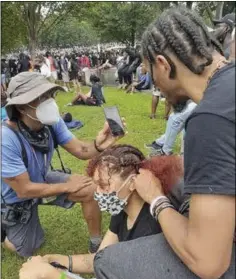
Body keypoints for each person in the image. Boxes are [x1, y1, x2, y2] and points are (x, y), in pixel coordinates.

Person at [91, 7, 235, 279]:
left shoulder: (209, 119)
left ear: (163, 65)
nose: (153, 84)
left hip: (216, 258)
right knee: (181, 185)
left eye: (149, 72)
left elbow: (209, 263)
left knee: (108, 260)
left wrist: (156, 199)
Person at [1, 72, 124, 258]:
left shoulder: (51, 123)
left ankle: (96, 244)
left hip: (42, 178)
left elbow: (81, 150)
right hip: (16, 195)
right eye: (41, 97)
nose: (49, 101)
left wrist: (100, 145)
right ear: (21, 106)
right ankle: (3, 235)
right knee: (27, 249)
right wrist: (66, 186)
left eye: (49, 95)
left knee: (90, 189)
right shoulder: (6, 138)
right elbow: (24, 189)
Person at [19, 144, 187, 279]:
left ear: (132, 182)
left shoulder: (150, 231)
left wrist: (51, 275)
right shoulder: (123, 211)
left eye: (104, 185)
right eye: (96, 184)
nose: (97, 192)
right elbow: (101, 259)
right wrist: (56, 259)